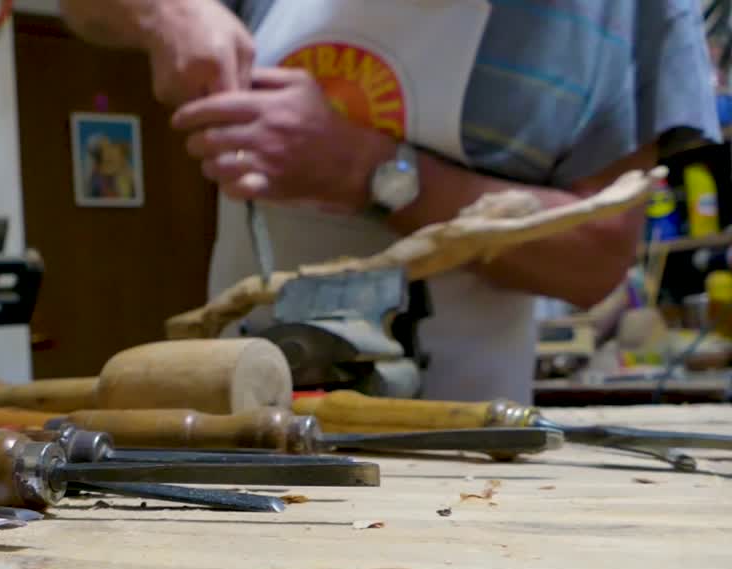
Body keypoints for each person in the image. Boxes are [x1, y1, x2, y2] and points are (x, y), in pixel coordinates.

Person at [57, 0, 720, 403]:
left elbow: (595, 257)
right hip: (243, 421)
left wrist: (366, 170)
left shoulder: (630, 14)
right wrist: (167, 11)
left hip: (463, 447)